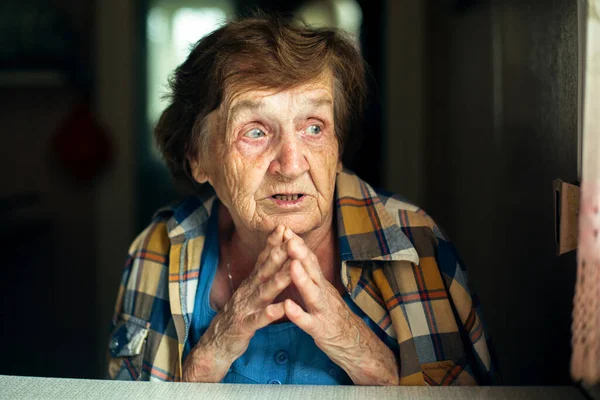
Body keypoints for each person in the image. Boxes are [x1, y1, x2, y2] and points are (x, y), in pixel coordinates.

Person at [106, 15, 499, 385]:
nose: (291, 164)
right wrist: (207, 358)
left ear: (338, 149)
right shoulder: (158, 250)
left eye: (314, 127)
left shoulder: (416, 244)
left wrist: (370, 360)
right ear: (197, 157)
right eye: (255, 132)